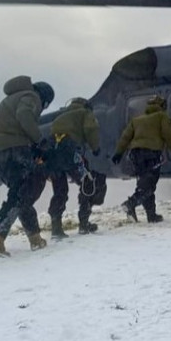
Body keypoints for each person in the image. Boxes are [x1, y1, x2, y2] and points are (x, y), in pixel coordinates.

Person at [0, 75, 55, 257]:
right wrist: (39, 141)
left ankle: (34, 238)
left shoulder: (11, 98)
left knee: (21, 191)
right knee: (28, 188)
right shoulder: (31, 96)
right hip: (14, 149)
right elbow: (24, 115)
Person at [112, 95, 171, 223]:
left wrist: (118, 153)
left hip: (136, 155)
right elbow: (168, 133)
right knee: (150, 184)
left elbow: (125, 137)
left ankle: (151, 215)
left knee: (144, 183)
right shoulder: (162, 116)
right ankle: (130, 204)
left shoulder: (136, 120)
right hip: (151, 154)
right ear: (162, 106)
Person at [45, 97, 103, 237]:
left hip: (52, 152)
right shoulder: (84, 112)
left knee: (60, 190)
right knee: (87, 184)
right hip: (71, 151)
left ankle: (56, 227)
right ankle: (84, 223)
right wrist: (95, 147)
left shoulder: (61, 116)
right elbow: (91, 128)